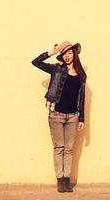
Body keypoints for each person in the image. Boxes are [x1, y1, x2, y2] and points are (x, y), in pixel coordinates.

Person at [31, 41, 87, 193]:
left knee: (68, 149)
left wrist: (81, 118)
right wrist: (51, 52)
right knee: (59, 148)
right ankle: (60, 181)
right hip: (56, 114)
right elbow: (35, 62)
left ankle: (66, 181)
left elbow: (81, 98)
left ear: (74, 54)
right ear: (61, 56)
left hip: (73, 116)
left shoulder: (81, 75)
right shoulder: (56, 69)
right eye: (64, 54)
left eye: (70, 53)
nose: (67, 56)